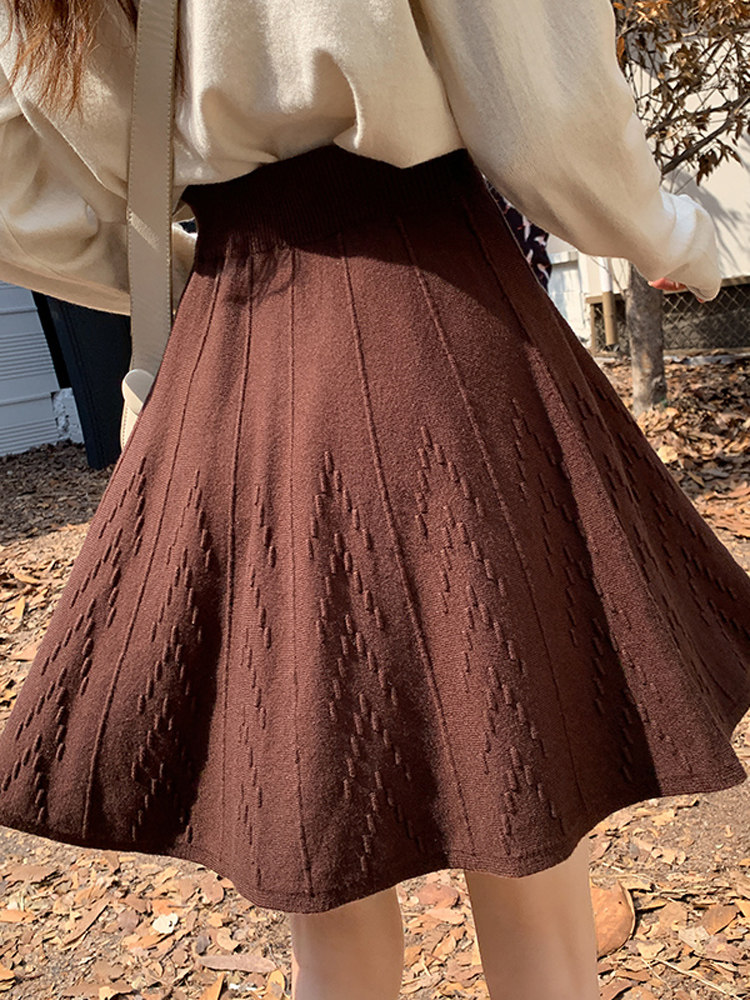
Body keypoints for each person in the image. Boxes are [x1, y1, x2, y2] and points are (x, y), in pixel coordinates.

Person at [0, 3, 748, 999]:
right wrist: (682, 239)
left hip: (234, 352)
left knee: (326, 864)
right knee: (524, 831)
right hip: (434, 310)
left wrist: (198, 267)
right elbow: (540, 108)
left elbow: (15, 187)